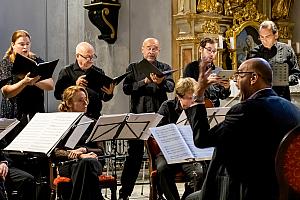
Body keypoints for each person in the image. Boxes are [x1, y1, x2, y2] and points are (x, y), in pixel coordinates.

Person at [185, 57, 300, 200]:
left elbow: (202, 140)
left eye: (239, 75)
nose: (236, 82)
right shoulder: (293, 109)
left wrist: (199, 94)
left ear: (253, 78)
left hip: (249, 190)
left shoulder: (244, 110)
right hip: (286, 191)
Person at [119, 37, 175, 200]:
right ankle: (125, 192)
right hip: (138, 116)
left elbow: (171, 87)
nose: (151, 51)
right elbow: (127, 88)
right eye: (149, 48)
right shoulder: (134, 68)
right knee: (134, 156)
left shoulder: (164, 68)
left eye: (155, 48)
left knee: (161, 155)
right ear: (142, 50)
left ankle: (160, 192)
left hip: (160, 117)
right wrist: (144, 81)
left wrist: (160, 81)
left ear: (158, 50)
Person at [155, 77, 206, 200]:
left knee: (199, 174)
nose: (192, 101)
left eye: (193, 97)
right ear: (179, 96)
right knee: (162, 170)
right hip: (170, 151)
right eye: (189, 98)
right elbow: (158, 130)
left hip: (191, 151)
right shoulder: (167, 106)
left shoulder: (197, 107)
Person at [53, 85, 105, 200]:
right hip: (68, 164)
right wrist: (79, 155)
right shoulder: (59, 123)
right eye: (81, 100)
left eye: (86, 99)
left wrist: (84, 150)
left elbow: (101, 150)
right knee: (85, 165)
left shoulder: (93, 123)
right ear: (69, 103)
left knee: (87, 163)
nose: (85, 103)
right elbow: (54, 151)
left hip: (93, 162)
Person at [0, 29, 54, 122]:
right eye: (21, 44)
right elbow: (6, 92)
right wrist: (24, 83)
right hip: (14, 115)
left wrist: (34, 80)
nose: (25, 47)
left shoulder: (36, 60)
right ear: (13, 45)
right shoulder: (6, 63)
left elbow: (50, 85)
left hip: (36, 113)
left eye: (28, 44)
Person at [54, 41, 115, 120]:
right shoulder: (66, 71)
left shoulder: (99, 72)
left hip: (95, 115)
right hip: (74, 117)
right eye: (87, 57)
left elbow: (103, 97)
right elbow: (58, 95)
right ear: (78, 56)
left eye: (92, 56)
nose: (90, 60)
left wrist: (109, 93)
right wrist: (75, 86)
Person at [248, 20, 300, 101]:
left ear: (276, 35)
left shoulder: (287, 50)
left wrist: (286, 80)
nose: (264, 40)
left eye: (267, 36)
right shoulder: (254, 52)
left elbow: (296, 72)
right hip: (260, 99)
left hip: (282, 97)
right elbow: (247, 75)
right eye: (261, 37)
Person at [183, 37, 231, 107]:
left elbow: (223, 96)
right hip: (196, 107)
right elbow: (186, 91)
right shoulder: (191, 67)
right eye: (209, 50)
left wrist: (226, 88)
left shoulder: (219, 70)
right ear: (200, 49)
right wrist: (205, 83)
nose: (212, 54)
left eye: (214, 51)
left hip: (214, 108)